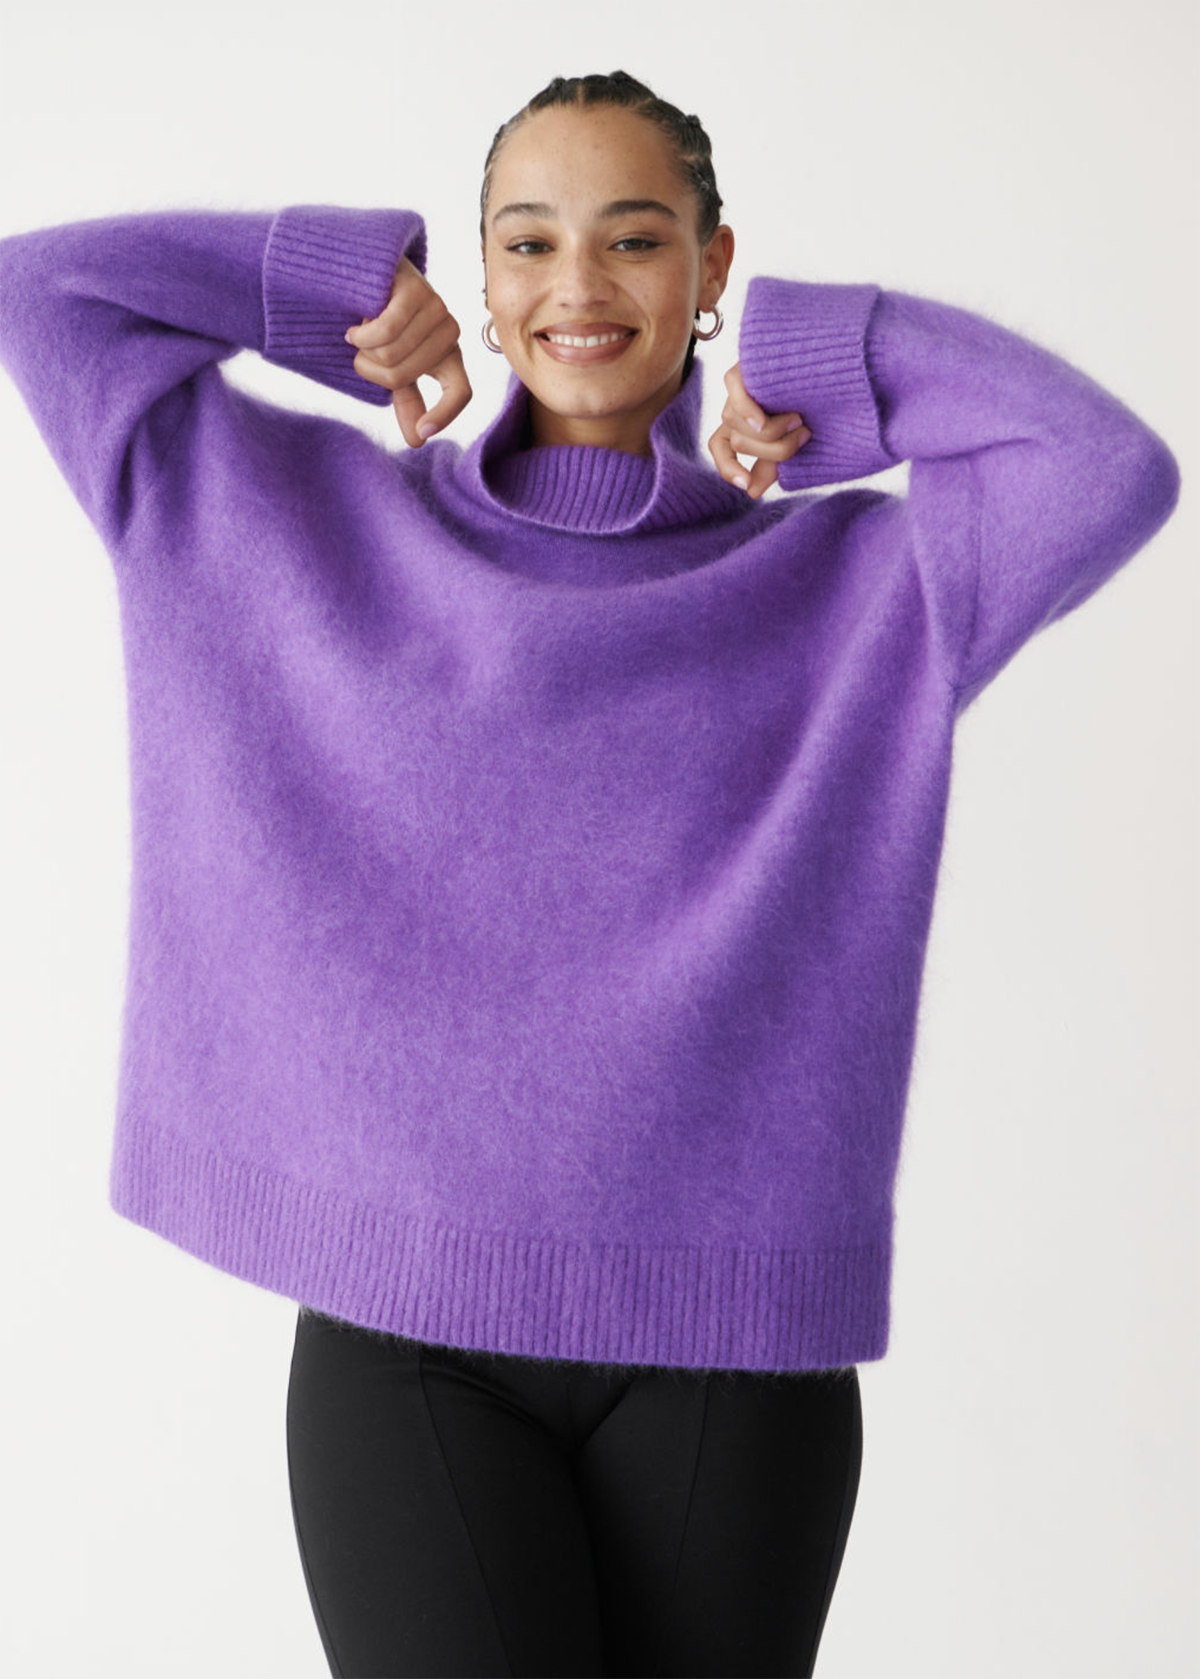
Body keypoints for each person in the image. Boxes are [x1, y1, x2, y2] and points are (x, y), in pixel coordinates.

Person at [0, 67, 1179, 1679]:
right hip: (408, 1345)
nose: (579, 284)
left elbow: (1105, 466)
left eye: (634, 238)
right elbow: (44, 297)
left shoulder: (857, 587)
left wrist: (829, 358)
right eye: (529, 241)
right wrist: (320, 288)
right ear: (481, 279)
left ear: (709, 267)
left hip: (733, 1357)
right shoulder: (310, 525)